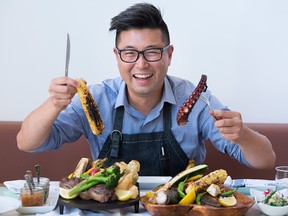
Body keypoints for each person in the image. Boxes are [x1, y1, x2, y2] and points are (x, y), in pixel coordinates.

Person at [17, 3, 275, 176]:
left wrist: (242, 134)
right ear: (117, 56)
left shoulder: (195, 100)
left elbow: (266, 160)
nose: (141, 64)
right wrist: (53, 104)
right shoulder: (96, 98)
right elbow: (27, 143)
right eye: (130, 53)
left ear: (169, 55)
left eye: (152, 52)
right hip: (109, 210)